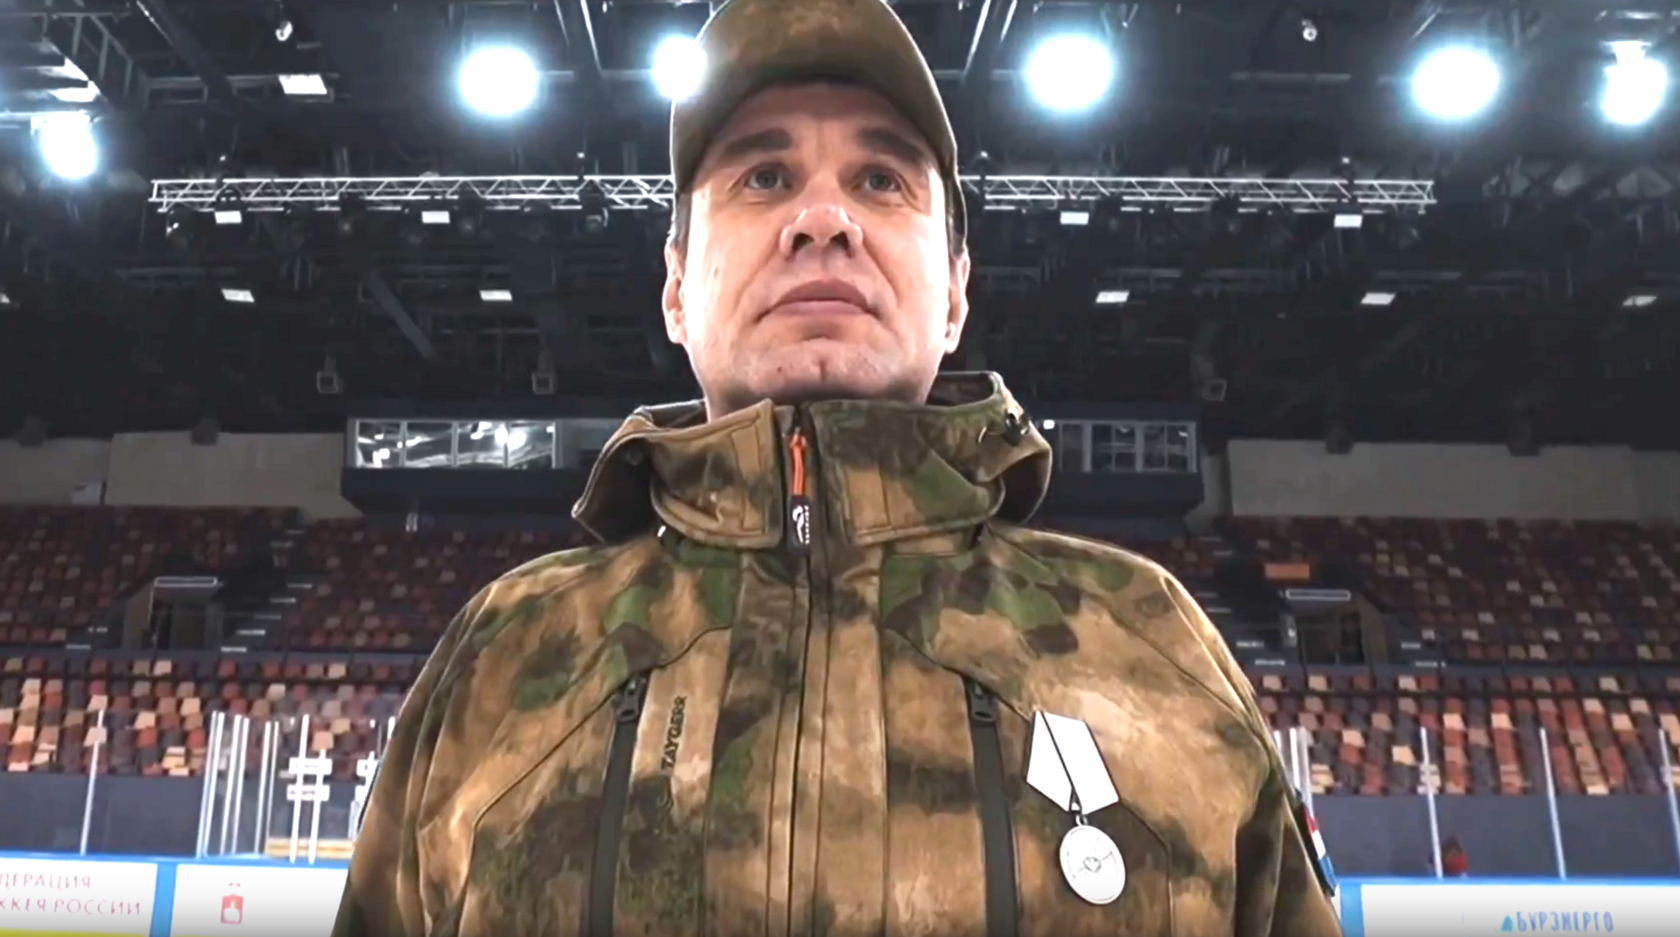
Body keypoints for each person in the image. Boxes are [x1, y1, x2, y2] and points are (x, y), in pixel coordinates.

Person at [332, 0, 1345, 934]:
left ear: (955, 294)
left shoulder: (1146, 640)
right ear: (676, 288)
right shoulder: (506, 655)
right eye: (765, 177)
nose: (824, 219)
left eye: (881, 180)